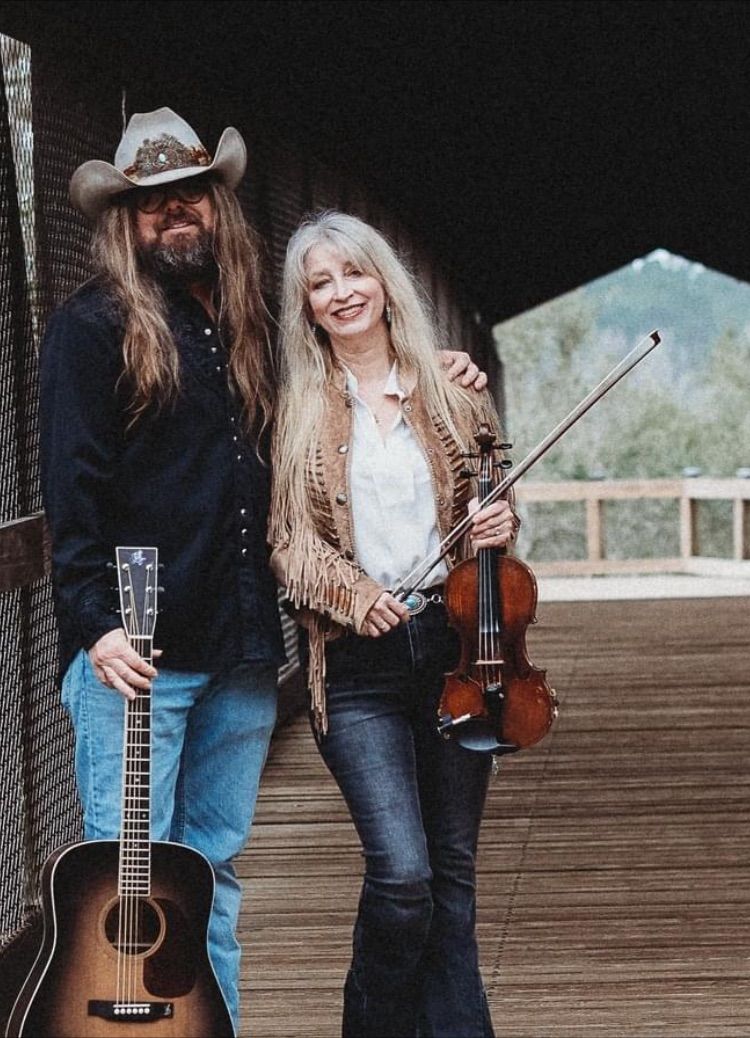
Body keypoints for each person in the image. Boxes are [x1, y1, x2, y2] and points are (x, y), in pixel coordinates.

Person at [39, 110, 486, 1032]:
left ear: (217, 204)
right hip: (138, 658)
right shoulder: (91, 328)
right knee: (134, 871)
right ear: (126, 220)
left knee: (211, 874)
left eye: (190, 195)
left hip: (242, 656)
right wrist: (95, 624)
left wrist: (442, 370)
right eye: (151, 203)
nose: (175, 215)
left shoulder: (249, 326)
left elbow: (356, 389)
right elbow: (70, 492)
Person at [269, 211, 519, 1038]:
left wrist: (498, 525)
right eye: (321, 283)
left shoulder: (453, 393)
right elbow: (288, 544)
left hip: (456, 654)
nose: (343, 293)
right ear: (306, 306)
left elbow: (496, 499)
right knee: (403, 874)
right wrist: (350, 593)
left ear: (384, 281)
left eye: (354, 273)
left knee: (451, 872)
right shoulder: (296, 411)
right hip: (358, 667)